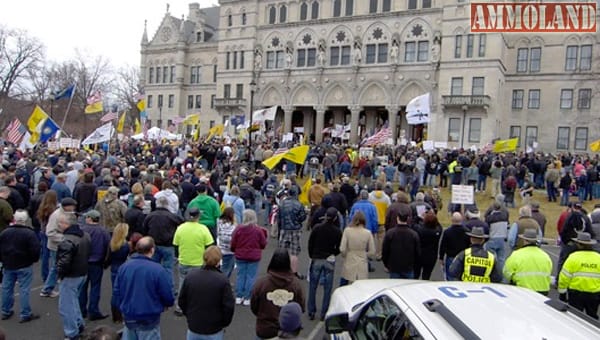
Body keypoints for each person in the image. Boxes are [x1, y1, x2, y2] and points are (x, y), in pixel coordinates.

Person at [114, 236, 175, 339]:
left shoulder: (124, 267)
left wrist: (121, 306)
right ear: (152, 250)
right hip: (149, 317)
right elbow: (167, 293)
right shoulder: (157, 270)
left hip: (129, 315)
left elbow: (117, 291)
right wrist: (167, 304)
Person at [178, 246, 235, 340]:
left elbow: (182, 300)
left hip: (194, 325)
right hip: (214, 328)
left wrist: (189, 315)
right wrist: (224, 323)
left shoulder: (191, 276)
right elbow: (228, 306)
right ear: (218, 261)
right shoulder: (222, 280)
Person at [250, 249, 305, 339]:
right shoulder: (296, 285)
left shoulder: (262, 283)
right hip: (287, 333)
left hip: (265, 330)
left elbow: (254, 306)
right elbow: (300, 307)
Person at [0, 210, 40, 322]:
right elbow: (35, 250)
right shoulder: (29, 233)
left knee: (6, 288)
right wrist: (33, 259)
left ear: (14, 219)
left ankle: (5, 311)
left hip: (8, 264)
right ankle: (25, 313)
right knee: (24, 289)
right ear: (26, 220)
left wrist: (2, 260)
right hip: (24, 264)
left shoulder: (5, 233)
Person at [172, 207, 214, 315]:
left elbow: (176, 245)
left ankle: (179, 307)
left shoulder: (181, 228)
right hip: (198, 262)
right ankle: (197, 306)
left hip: (184, 260)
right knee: (199, 286)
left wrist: (179, 255)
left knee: (182, 283)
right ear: (198, 216)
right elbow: (210, 245)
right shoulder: (203, 229)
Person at [56, 211, 91, 340]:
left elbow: (63, 262)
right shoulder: (85, 235)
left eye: (60, 222)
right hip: (82, 272)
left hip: (71, 275)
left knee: (66, 306)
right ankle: (79, 324)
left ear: (66, 224)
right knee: (74, 301)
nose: (58, 225)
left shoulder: (67, 240)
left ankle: (71, 332)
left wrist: (60, 274)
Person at [144, 196, 184, 294]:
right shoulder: (172, 216)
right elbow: (182, 224)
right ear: (167, 205)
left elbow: (144, 228)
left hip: (153, 245)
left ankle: (152, 288)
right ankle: (169, 289)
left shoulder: (150, 216)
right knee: (168, 269)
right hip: (168, 245)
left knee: (153, 267)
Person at [307, 207, 342, 321]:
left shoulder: (317, 228)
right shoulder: (337, 231)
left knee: (313, 286)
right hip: (329, 259)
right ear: (336, 218)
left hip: (317, 258)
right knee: (328, 288)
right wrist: (333, 253)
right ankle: (324, 312)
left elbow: (310, 242)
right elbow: (339, 247)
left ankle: (311, 310)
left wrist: (312, 255)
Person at [41, 197, 77, 298]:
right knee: (56, 268)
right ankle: (47, 289)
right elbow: (50, 232)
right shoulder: (56, 216)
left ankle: (49, 288)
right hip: (56, 247)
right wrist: (65, 238)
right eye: (72, 206)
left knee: (57, 267)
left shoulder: (68, 213)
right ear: (67, 206)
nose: (74, 207)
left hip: (62, 246)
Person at [558, 232, 600, 319]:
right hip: (594, 294)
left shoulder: (573, 257)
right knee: (592, 319)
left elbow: (564, 277)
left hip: (576, 294)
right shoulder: (598, 257)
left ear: (579, 244)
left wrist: (562, 293)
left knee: (575, 319)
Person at [230, 209, 267, 306]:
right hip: (253, 256)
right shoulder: (258, 230)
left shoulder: (238, 229)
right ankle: (247, 297)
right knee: (251, 277)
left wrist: (234, 250)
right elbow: (263, 243)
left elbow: (233, 242)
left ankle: (238, 296)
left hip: (240, 255)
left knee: (240, 275)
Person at [79, 210, 111, 321]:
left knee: (82, 287)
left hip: (83, 262)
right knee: (95, 287)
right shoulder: (103, 231)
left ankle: (81, 310)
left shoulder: (82, 230)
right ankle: (93, 311)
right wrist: (106, 262)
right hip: (97, 263)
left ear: (89, 218)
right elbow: (108, 247)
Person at [503, 228, 552, 295]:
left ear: (524, 240)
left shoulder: (517, 254)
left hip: (522, 290)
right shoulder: (545, 256)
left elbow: (506, 272)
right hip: (543, 291)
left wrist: (514, 279)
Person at [382, 208, 420, 279]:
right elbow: (417, 252)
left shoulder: (390, 233)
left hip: (394, 267)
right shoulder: (413, 234)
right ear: (407, 219)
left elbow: (385, 250)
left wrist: (386, 264)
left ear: (397, 218)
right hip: (408, 267)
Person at [277, 187, 307, 278]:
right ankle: (293, 272)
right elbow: (303, 217)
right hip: (295, 230)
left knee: (282, 251)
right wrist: (297, 221)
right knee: (294, 252)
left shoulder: (282, 204)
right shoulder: (299, 204)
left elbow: (279, 218)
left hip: (284, 229)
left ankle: (280, 271)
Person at [339, 211, 376, 285]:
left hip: (349, 259)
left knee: (344, 285)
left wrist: (345, 255)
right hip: (362, 262)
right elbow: (372, 251)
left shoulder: (347, 231)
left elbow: (342, 248)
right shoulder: (368, 233)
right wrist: (365, 255)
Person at [108, 223, 130, 324]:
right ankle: (123, 314)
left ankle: (116, 316)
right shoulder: (125, 246)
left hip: (114, 268)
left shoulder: (112, 243)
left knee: (115, 292)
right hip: (123, 269)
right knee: (124, 293)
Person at [438, 212, 470, 281]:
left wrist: (441, 257)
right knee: (462, 275)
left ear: (452, 220)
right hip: (463, 257)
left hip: (451, 257)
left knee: (450, 276)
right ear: (461, 220)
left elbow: (443, 245)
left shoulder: (447, 232)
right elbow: (469, 245)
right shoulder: (467, 232)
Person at [36, 189, 57, 283]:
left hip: (43, 231)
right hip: (50, 232)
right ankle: (52, 276)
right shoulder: (53, 210)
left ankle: (45, 275)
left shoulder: (42, 207)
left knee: (45, 255)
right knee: (53, 256)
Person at [415, 210, 442, 280]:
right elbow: (440, 226)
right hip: (431, 256)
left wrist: (419, 217)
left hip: (419, 255)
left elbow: (413, 224)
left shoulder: (420, 230)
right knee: (426, 275)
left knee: (416, 274)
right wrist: (433, 217)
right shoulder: (437, 231)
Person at [485, 201, 509, 267]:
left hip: (492, 238)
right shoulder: (504, 216)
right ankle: (501, 274)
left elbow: (487, 228)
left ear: (493, 208)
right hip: (502, 239)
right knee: (501, 259)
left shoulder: (490, 218)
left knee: (490, 258)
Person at [217, 207, 237, 278]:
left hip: (220, 248)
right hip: (229, 250)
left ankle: (225, 281)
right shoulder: (232, 226)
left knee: (226, 267)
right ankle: (223, 282)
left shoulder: (219, 222)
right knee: (227, 269)